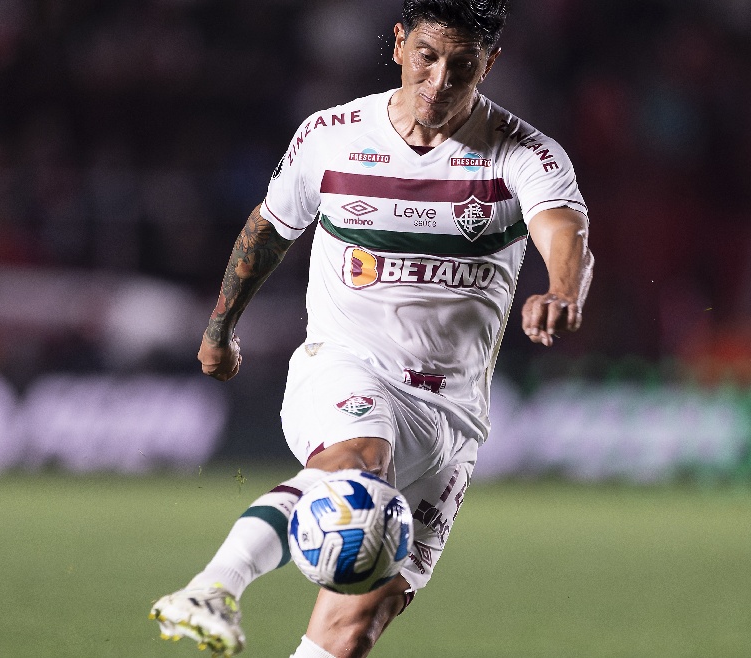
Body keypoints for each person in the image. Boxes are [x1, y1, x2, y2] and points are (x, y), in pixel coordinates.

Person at [149, 1, 593, 656]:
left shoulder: (521, 153)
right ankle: (212, 587)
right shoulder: (331, 135)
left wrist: (561, 288)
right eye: (427, 57)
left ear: (489, 64)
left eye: (462, 66)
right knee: (360, 462)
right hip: (348, 369)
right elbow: (267, 232)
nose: (439, 80)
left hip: (451, 421)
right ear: (397, 45)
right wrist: (220, 329)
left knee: (352, 629)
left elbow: (565, 229)